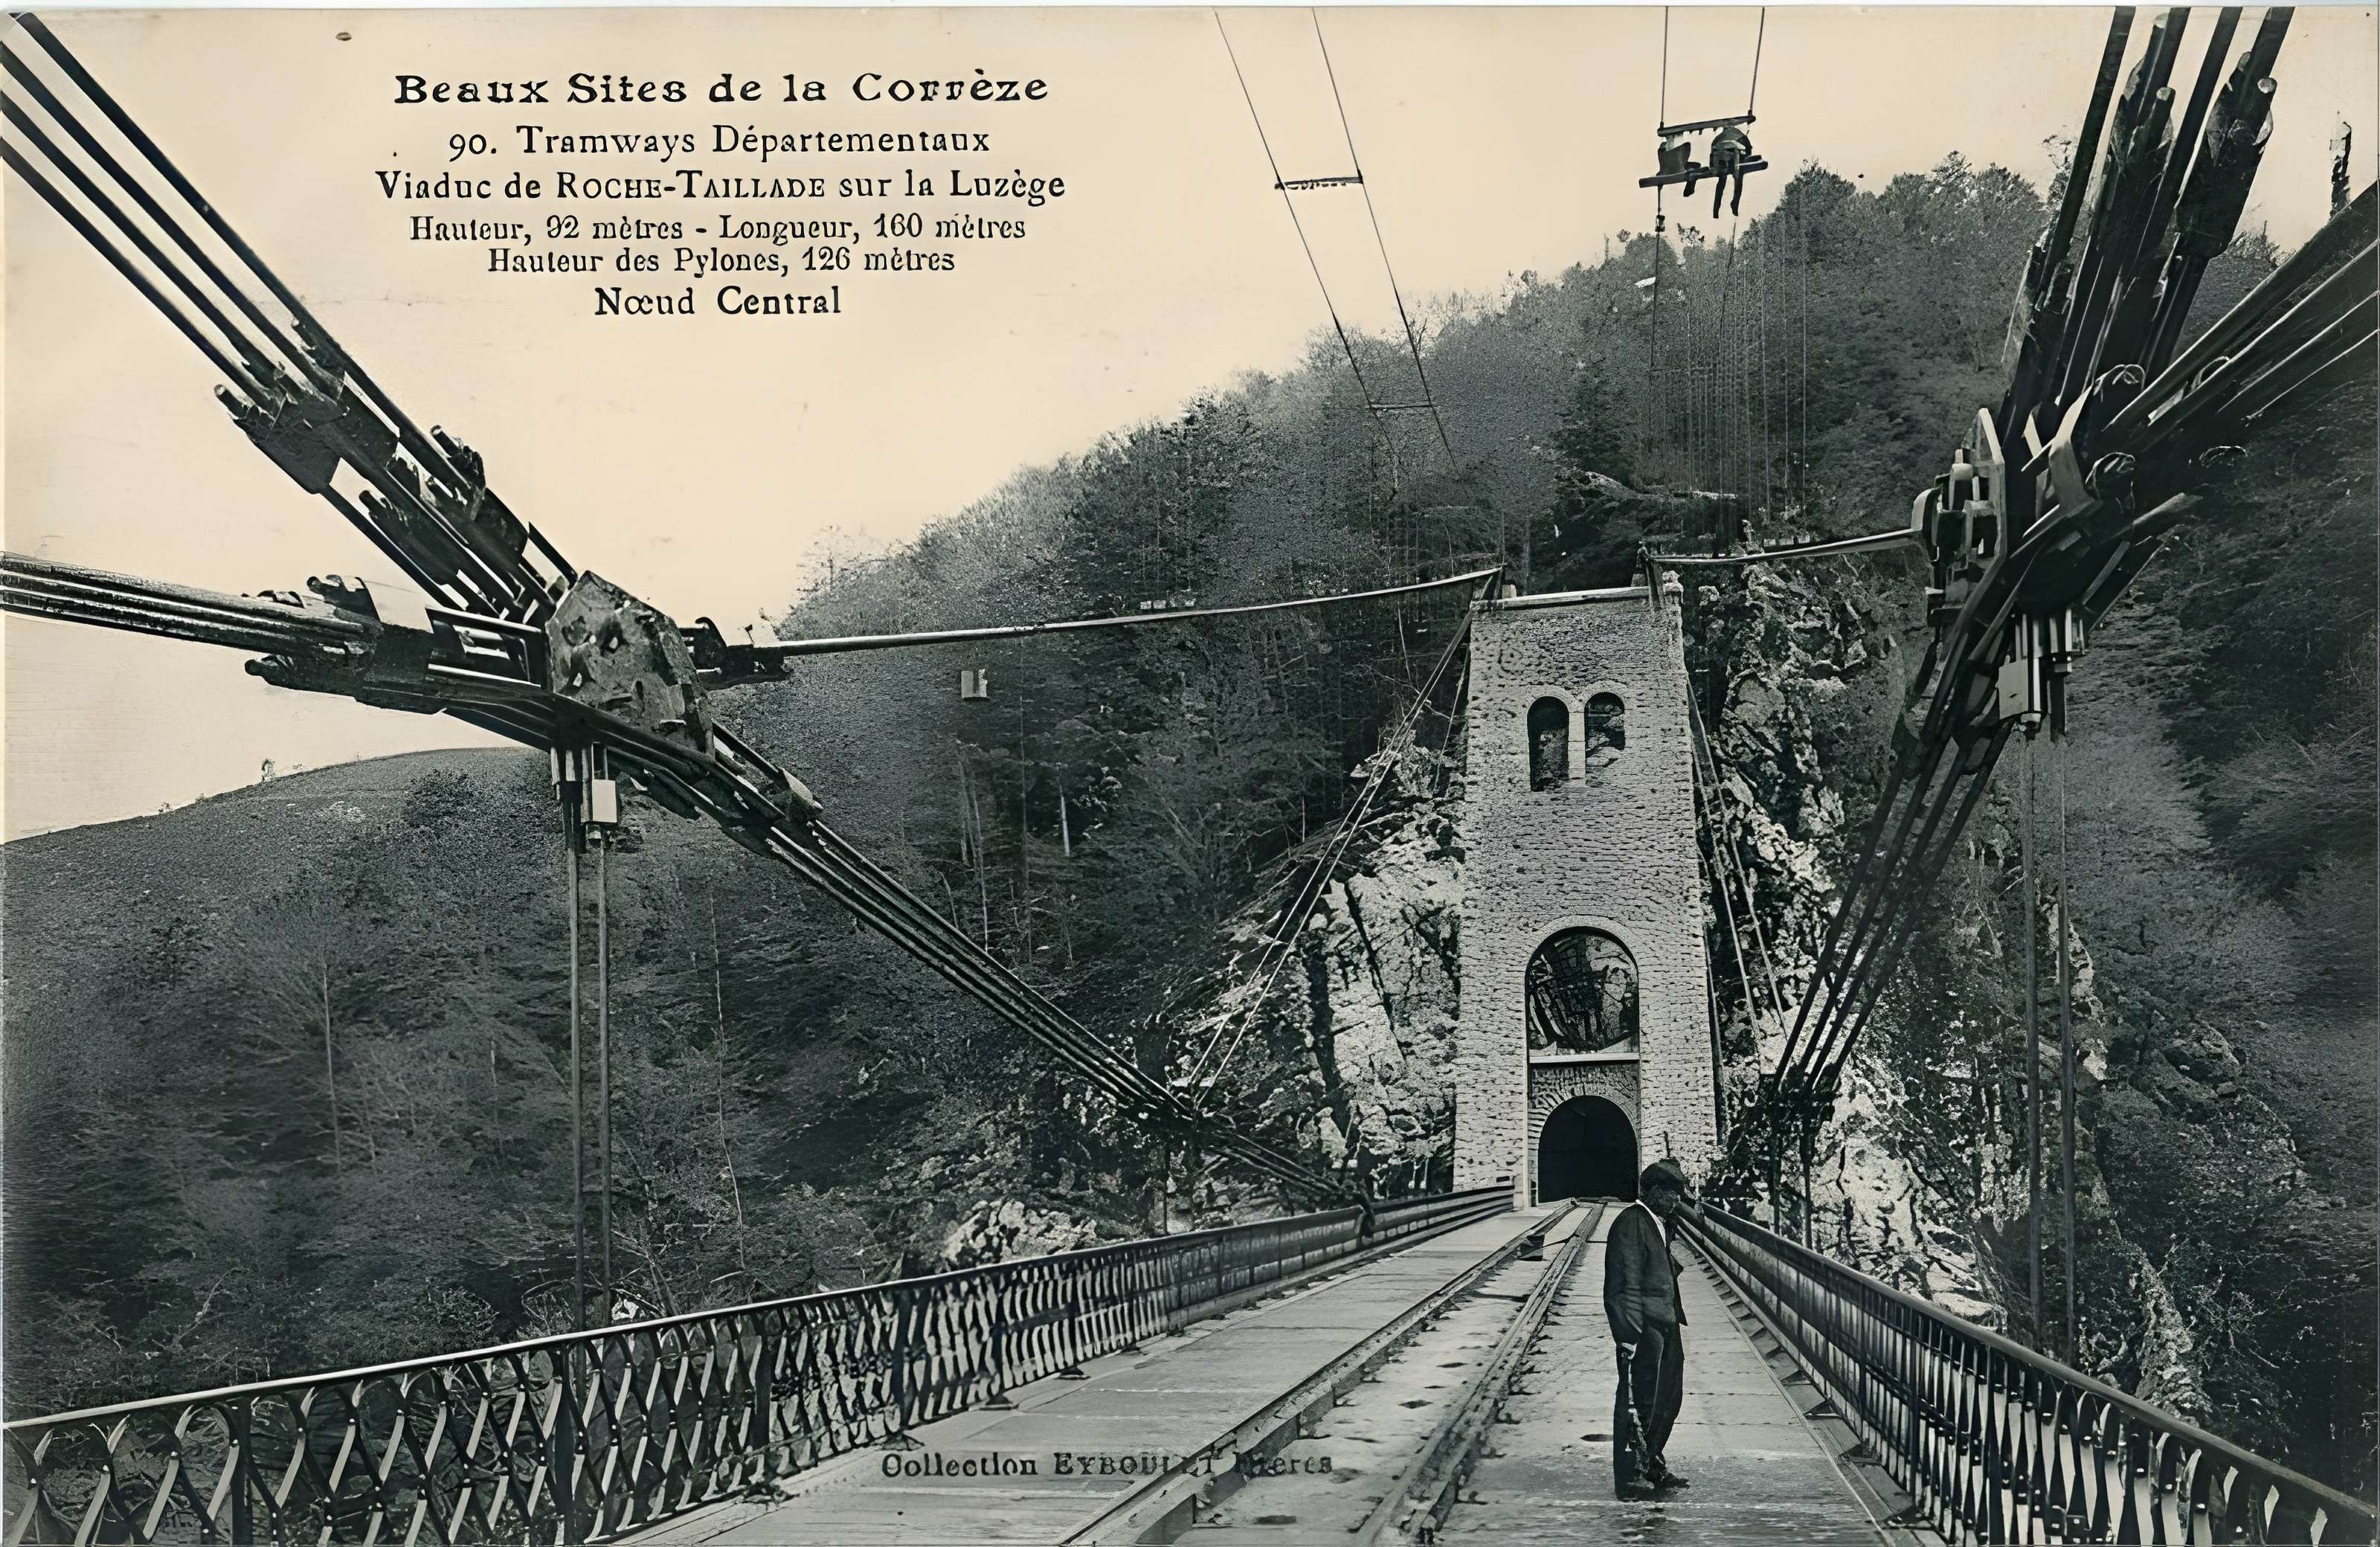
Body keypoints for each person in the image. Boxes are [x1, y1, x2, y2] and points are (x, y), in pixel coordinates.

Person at [1605, 1157, 1695, 1499]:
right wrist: (1628, 1335)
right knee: (1637, 1402)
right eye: (1672, 1193)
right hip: (1644, 1329)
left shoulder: (1657, 1222)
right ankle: (1630, 1478)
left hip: (1666, 1323)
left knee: (1667, 1398)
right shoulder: (1631, 1222)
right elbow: (1624, 1285)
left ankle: (1652, 1463)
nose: (1677, 1200)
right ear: (1654, 1191)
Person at [1708, 123, 1754, 218]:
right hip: (1730, 158)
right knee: (1738, 178)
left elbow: (1712, 154)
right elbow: (1749, 151)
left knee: (1722, 181)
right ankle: (1734, 204)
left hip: (1721, 159)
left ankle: (1716, 211)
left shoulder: (1718, 138)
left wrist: (1714, 167)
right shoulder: (1740, 135)